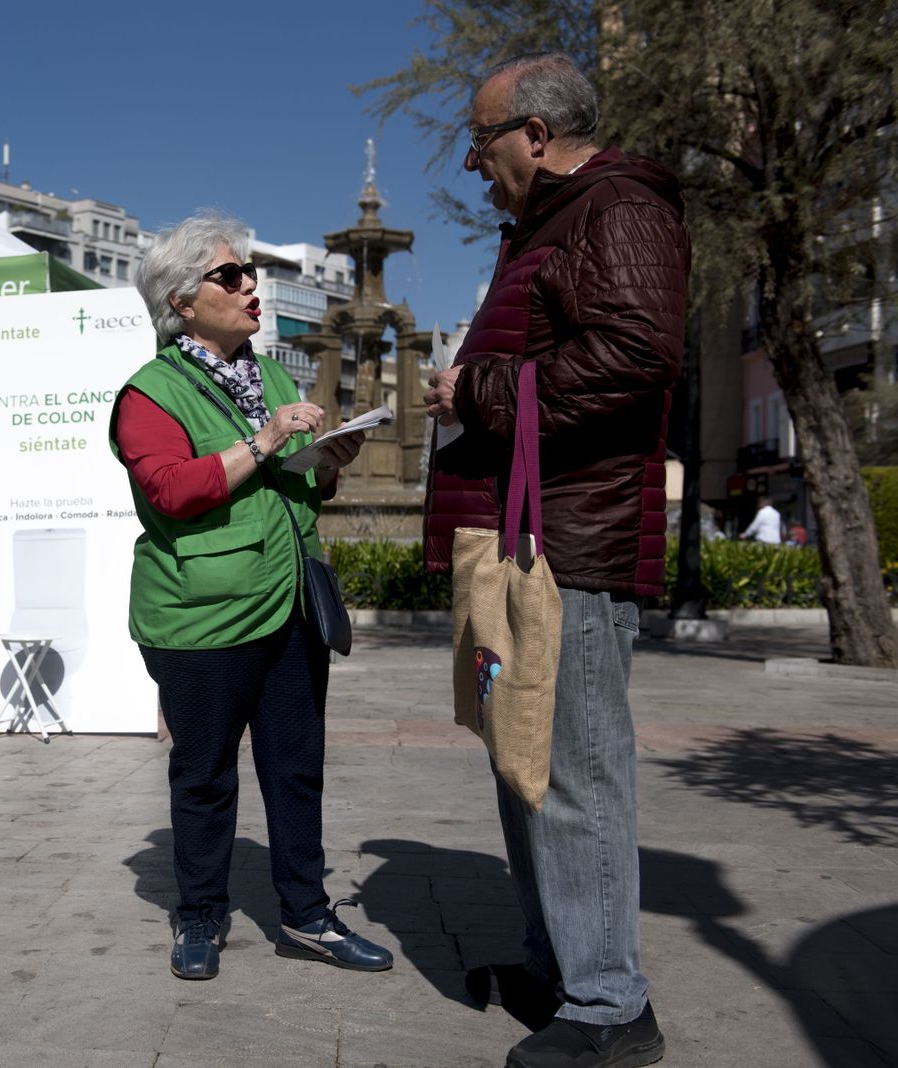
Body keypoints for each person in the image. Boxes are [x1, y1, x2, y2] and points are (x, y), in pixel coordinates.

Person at [422, 54, 687, 1068]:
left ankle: (611, 1008)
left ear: (532, 134)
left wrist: (477, 392)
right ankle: (560, 965)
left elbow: (632, 357)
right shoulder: (553, 224)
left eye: (481, 142)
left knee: (572, 773)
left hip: (566, 548)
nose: (474, 163)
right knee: (521, 764)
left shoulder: (616, 208)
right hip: (520, 542)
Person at [110, 211, 392, 982]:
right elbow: (172, 490)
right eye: (230, 276)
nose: (250, 286)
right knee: (204, 772)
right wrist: (266, 440)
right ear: (181, 300)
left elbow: (285, 487)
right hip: (201, 613)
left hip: (288, 599)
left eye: (250, 273)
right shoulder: (149, 393)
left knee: (297, 765)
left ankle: (307, 914)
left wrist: (327, 462)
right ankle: (200, 914)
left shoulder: (269, 375)